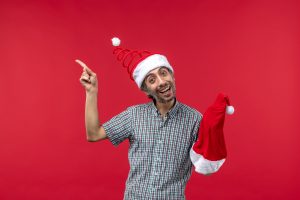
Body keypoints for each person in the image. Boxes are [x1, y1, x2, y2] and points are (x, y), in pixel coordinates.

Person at [76, 38, 232, 200]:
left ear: (172, 76)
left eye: (163, 73)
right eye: (152, 80)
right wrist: (91, 91)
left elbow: (206, 165)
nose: (161, 82)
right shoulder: (133, 115)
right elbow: (94, 134)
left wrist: (214, 129)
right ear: (146, 90)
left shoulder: (194, 119)